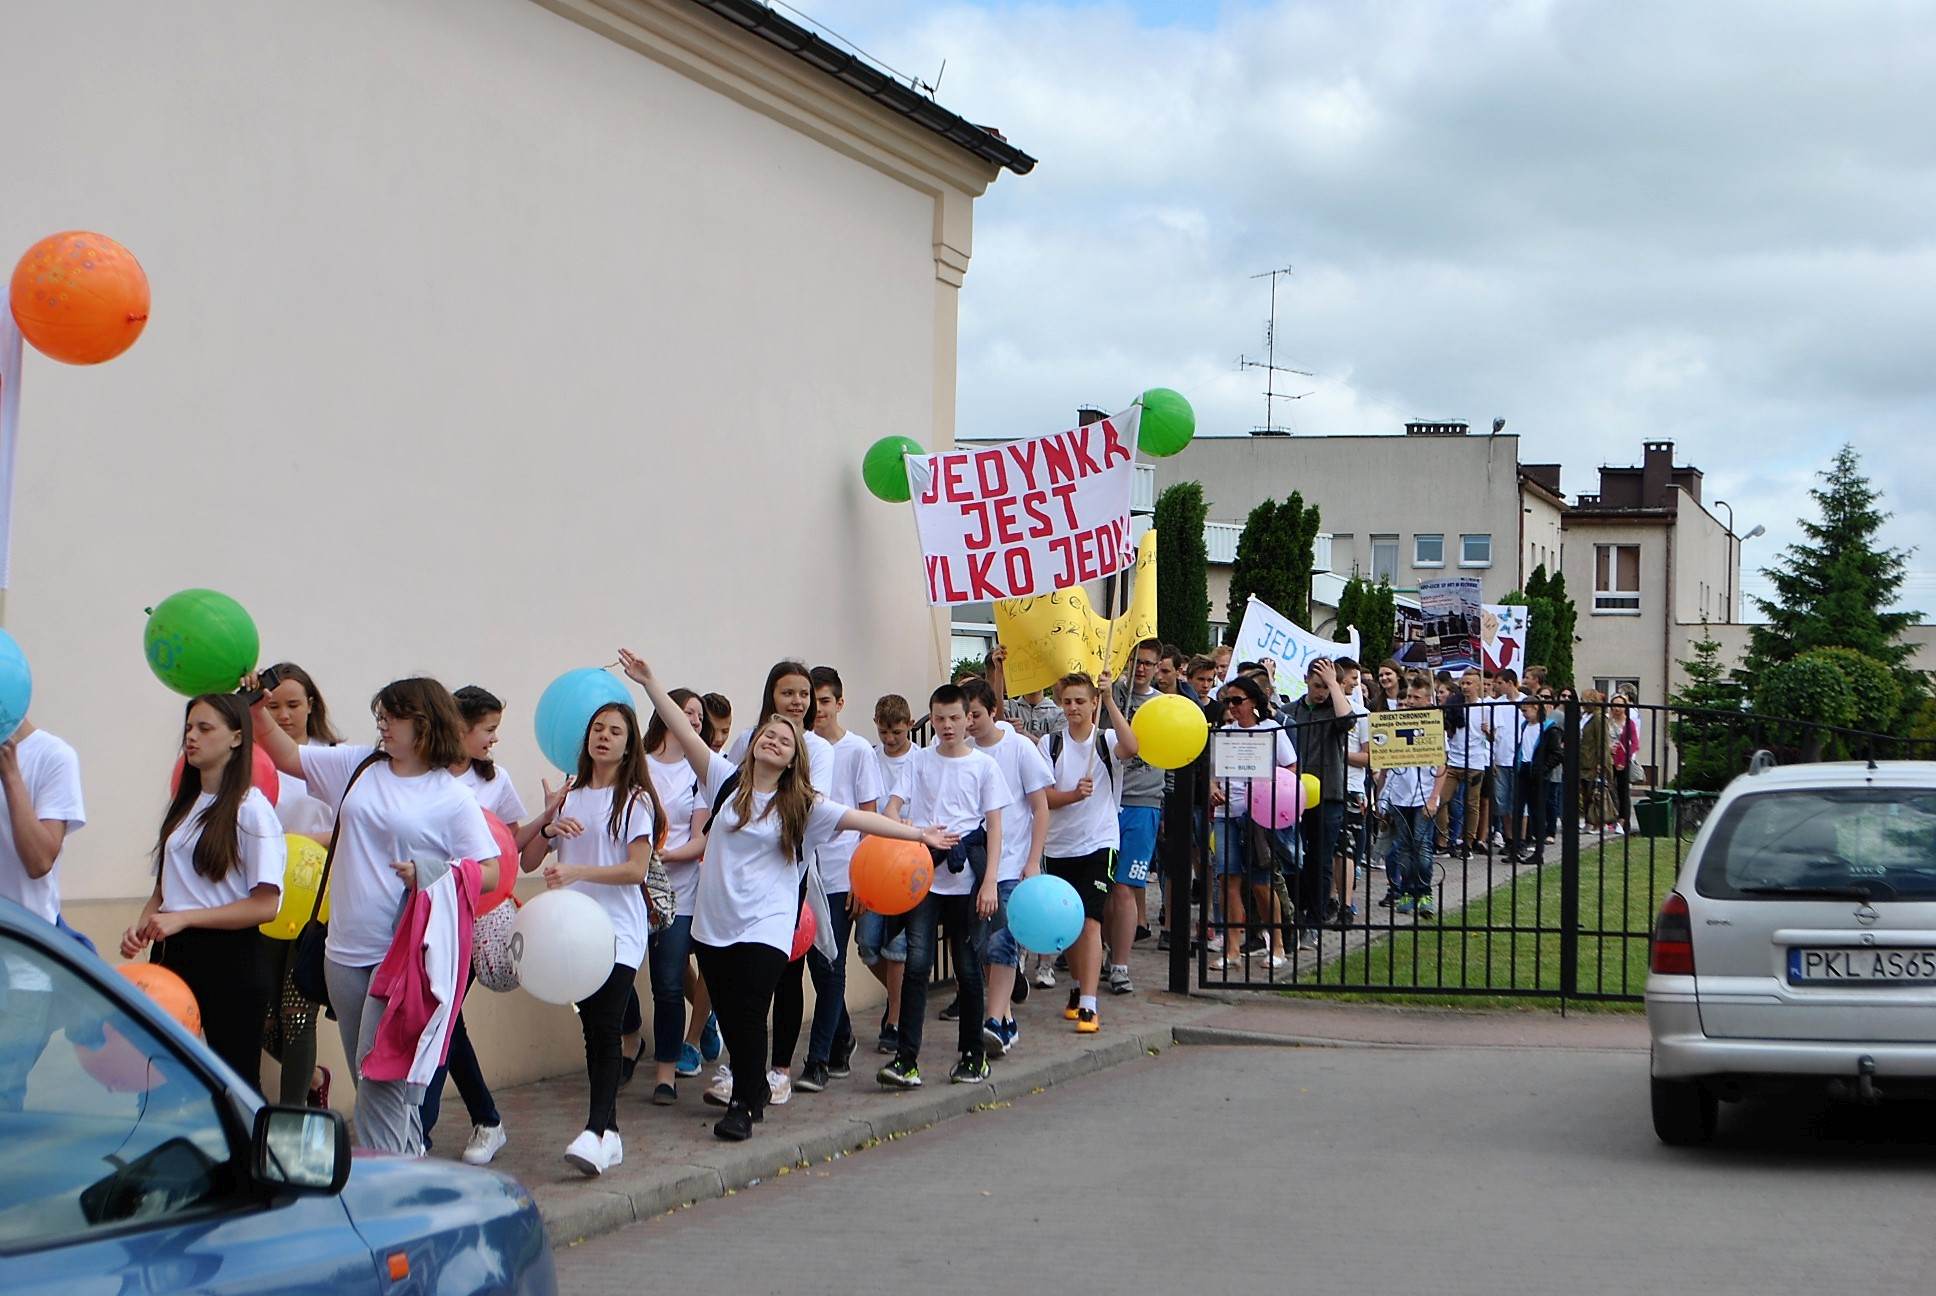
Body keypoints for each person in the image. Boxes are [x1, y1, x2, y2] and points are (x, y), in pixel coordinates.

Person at [622, 649, 950, 1138]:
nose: (775, 741)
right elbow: (686, 733)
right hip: (715, 922)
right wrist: (650, 683)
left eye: (785, 740)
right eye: (768, 736)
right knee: (731, 1015)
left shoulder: (804, 804)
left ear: (795, 756)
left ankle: (740, 1106)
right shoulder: (724, 782)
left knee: (751, 1012)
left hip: (767, 923)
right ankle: (752, 1091)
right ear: (754, 744)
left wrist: (918, 835)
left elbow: (864, 818)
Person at [250, 676, 500, 1103]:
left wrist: (432, 872)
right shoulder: (358, 765)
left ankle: (395, 1160)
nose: (382, 724)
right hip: (342, 953)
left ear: (424, 723)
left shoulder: (451, 797)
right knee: (364, 1077)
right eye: (380, 715)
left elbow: (489, 871)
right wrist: (256, 707)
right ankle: (403, 1155)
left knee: (380, 1084)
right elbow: (288, 755)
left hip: (401, 957)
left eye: (393, 716)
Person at [520, 701, 664, 1176]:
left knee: (605, 1025)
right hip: (573, 932)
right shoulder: (571, 794)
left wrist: (579, 869)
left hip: (618, 933)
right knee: (592, 1031)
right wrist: (548, 823)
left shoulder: (636, 798)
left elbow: (635, 870)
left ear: (629, 745)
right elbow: (528, 862)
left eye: (615, 731)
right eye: (597, 729)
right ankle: (611, 1134)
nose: (604, 737)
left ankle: (594, 1132)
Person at [121, 694, 284, 1091]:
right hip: (174, 954)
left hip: (231, 959)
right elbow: (165, 889)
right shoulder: (185, 804)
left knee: (234, 1082)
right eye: (189, 728)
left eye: (205, 729)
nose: (191, 737)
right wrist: (144, 926)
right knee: (163, 1074)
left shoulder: (251, 810)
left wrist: (186, 917)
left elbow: (266, 905)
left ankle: (246, 1153)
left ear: (236, 738)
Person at [877, 683, 1006, 1086]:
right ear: (930, 720)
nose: (947, 726)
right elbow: (893, 805)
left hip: (966, 878)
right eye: (939, 718)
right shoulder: (919, 761)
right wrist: (907, 825)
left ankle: (972, 1054)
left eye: (954, 717)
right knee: (916, 964)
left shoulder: (984, 766)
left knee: (968, 968)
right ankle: (906, 1059)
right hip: (924, 877)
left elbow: (996, 828)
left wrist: (989, 884)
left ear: (969, 718)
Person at [424, 684, 528, 1166]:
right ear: (460, 728)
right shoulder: (423, 776)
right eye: (488, 730)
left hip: (473, 916)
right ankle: (487, 1120)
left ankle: (421, 1131)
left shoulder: (494, 780)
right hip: (422, 915)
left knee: (440, 1019)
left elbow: (513, 841)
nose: (493, 740)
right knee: (441, 1021)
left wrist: (547, 819)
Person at [727, 661, 834, 1106]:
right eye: (788, 692)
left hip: (791, 872)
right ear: (772, 694)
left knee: (786, 972)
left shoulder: (817, 749)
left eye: (804, 695)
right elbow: (729, 799)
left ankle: (780, 1069)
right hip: (739, 878)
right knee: (738, 977)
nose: (796, 701)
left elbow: (813, 810)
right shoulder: (747, 741)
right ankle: (738, 1069)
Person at [795, 666, 882, 1094]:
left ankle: (819, 1060)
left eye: (825, 701)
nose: (818, 710)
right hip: (802, 872)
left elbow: (869, 816)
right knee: (815, 963)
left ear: (839, 703)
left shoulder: (857, 751)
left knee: (830, 967)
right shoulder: (798, 748)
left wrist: (863, 880)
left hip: (841, 874)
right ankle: (842, 1035)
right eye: (813, 701)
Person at [256, 662, 338, 1108]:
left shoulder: (332, 759)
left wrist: (301, 842)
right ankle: (311, 1080)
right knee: (263, 1019)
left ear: (311, 706)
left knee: (297, 1012)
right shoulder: (249, 761)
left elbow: (352, 828)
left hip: (316, 904)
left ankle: (292, 1120)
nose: (284, 714)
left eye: (293, 704)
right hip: (261, 899)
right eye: (273, 706)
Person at [1039, 670, 1138, 1031]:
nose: (1073, 708)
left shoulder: (1105, 740)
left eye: (1081, 701)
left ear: (1093, 703)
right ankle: (1079, 983)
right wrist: (1070, 796)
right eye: (1067, 702)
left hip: (1098, 843)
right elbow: (1043, 797)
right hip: (1060, 846)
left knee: (1091, 921)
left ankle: (1089, 1004)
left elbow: (1132, 747)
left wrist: (1110, 698)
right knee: (1070, 924)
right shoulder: (1050, 745)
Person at [961, 678, 1051, 1057]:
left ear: (993, 712)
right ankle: (1006, 1018)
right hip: (972, 864)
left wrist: (1032, 860)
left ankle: (993, 1019)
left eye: (975, 715)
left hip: (1012, 861)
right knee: (979, 944)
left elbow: (1040, 807)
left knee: (1003, 940)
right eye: (963, 715)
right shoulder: (958, 749)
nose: (967, 723)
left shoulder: (1018, 749)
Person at [640, 688, 712, 1104]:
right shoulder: (640, 768)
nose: (695, 720)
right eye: (688, 712)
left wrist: (666, 855)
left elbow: (701, 839)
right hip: (635, 890)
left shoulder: (699, 774)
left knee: (668, 981)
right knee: (632, 980)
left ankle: (666, 1070)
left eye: (699, 716)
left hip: (682, 892)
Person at [1105, 640, 1165, 991]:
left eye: (1148, 663)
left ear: (1158, 667)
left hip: (1143, 803)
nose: (1141, 669)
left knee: (1126, 887)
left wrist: (1164, 801)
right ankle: (1104, 951)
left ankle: (1121, 965)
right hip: (1104, 802)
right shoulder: (1107, 696)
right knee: (1105, 886)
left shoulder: (1162, 705)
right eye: (1136, 662)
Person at [1283, 657, 1358, 935]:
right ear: (1305, 680)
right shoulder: (1291, 711)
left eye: (1325, 687)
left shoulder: (1335, 709)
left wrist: (1333, 685)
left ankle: (1316, 915)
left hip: (1328, 794)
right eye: (1317, 685)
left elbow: (1348, 721)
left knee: (1321, 857)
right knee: (1292, 855)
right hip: (1294, 793)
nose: (1320, 693)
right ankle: (1295, 910)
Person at [860, 694, 915, 1053]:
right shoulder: (870, 758)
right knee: (867, 945)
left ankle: (894, 1018)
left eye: (896, 732)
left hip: (908, 862)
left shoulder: (921, 761)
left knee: (897, 947)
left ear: (910, 725)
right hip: (873, 861)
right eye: (883, 732)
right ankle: (904, 997)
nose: (890, 739)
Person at [1374, 675, 1445, 917]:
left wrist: (1434, 798)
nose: (1412, 702)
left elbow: (1441, 766)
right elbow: (1385, 765)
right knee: (1403, 848)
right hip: (1399, 798)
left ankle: (1424, 891)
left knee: (1422, 849)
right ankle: (1406, 890)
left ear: (1427, 699)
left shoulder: (1435, 727)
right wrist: (1380, 797)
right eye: (1409, 697)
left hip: (1424, 797)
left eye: (1417, 697)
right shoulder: (1394, 725)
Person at [1488, 670, 1526, 859]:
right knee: (1502, 801)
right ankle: (1510, 839)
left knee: (1519, 802)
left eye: (1500, 682)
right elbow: (1495, 735)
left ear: (1511, 683)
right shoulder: (1497, 704)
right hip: (1501, 759)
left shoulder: (1527, 701)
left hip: (1520, 759)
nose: (1497, 686)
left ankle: (1521, 840)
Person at [1608, 693, 1641, 831]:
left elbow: (1634, 744)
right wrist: (1608, 747)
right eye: (1614, 705)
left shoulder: (1629, 723)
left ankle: (1622, 820)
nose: (1617, 708)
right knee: (1609, 790)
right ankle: (1609, 818)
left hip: (1622, 761)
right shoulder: (1607, 722)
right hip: (1608, 759)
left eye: (1620, 705)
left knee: (1622, 791)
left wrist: (1625, 758)